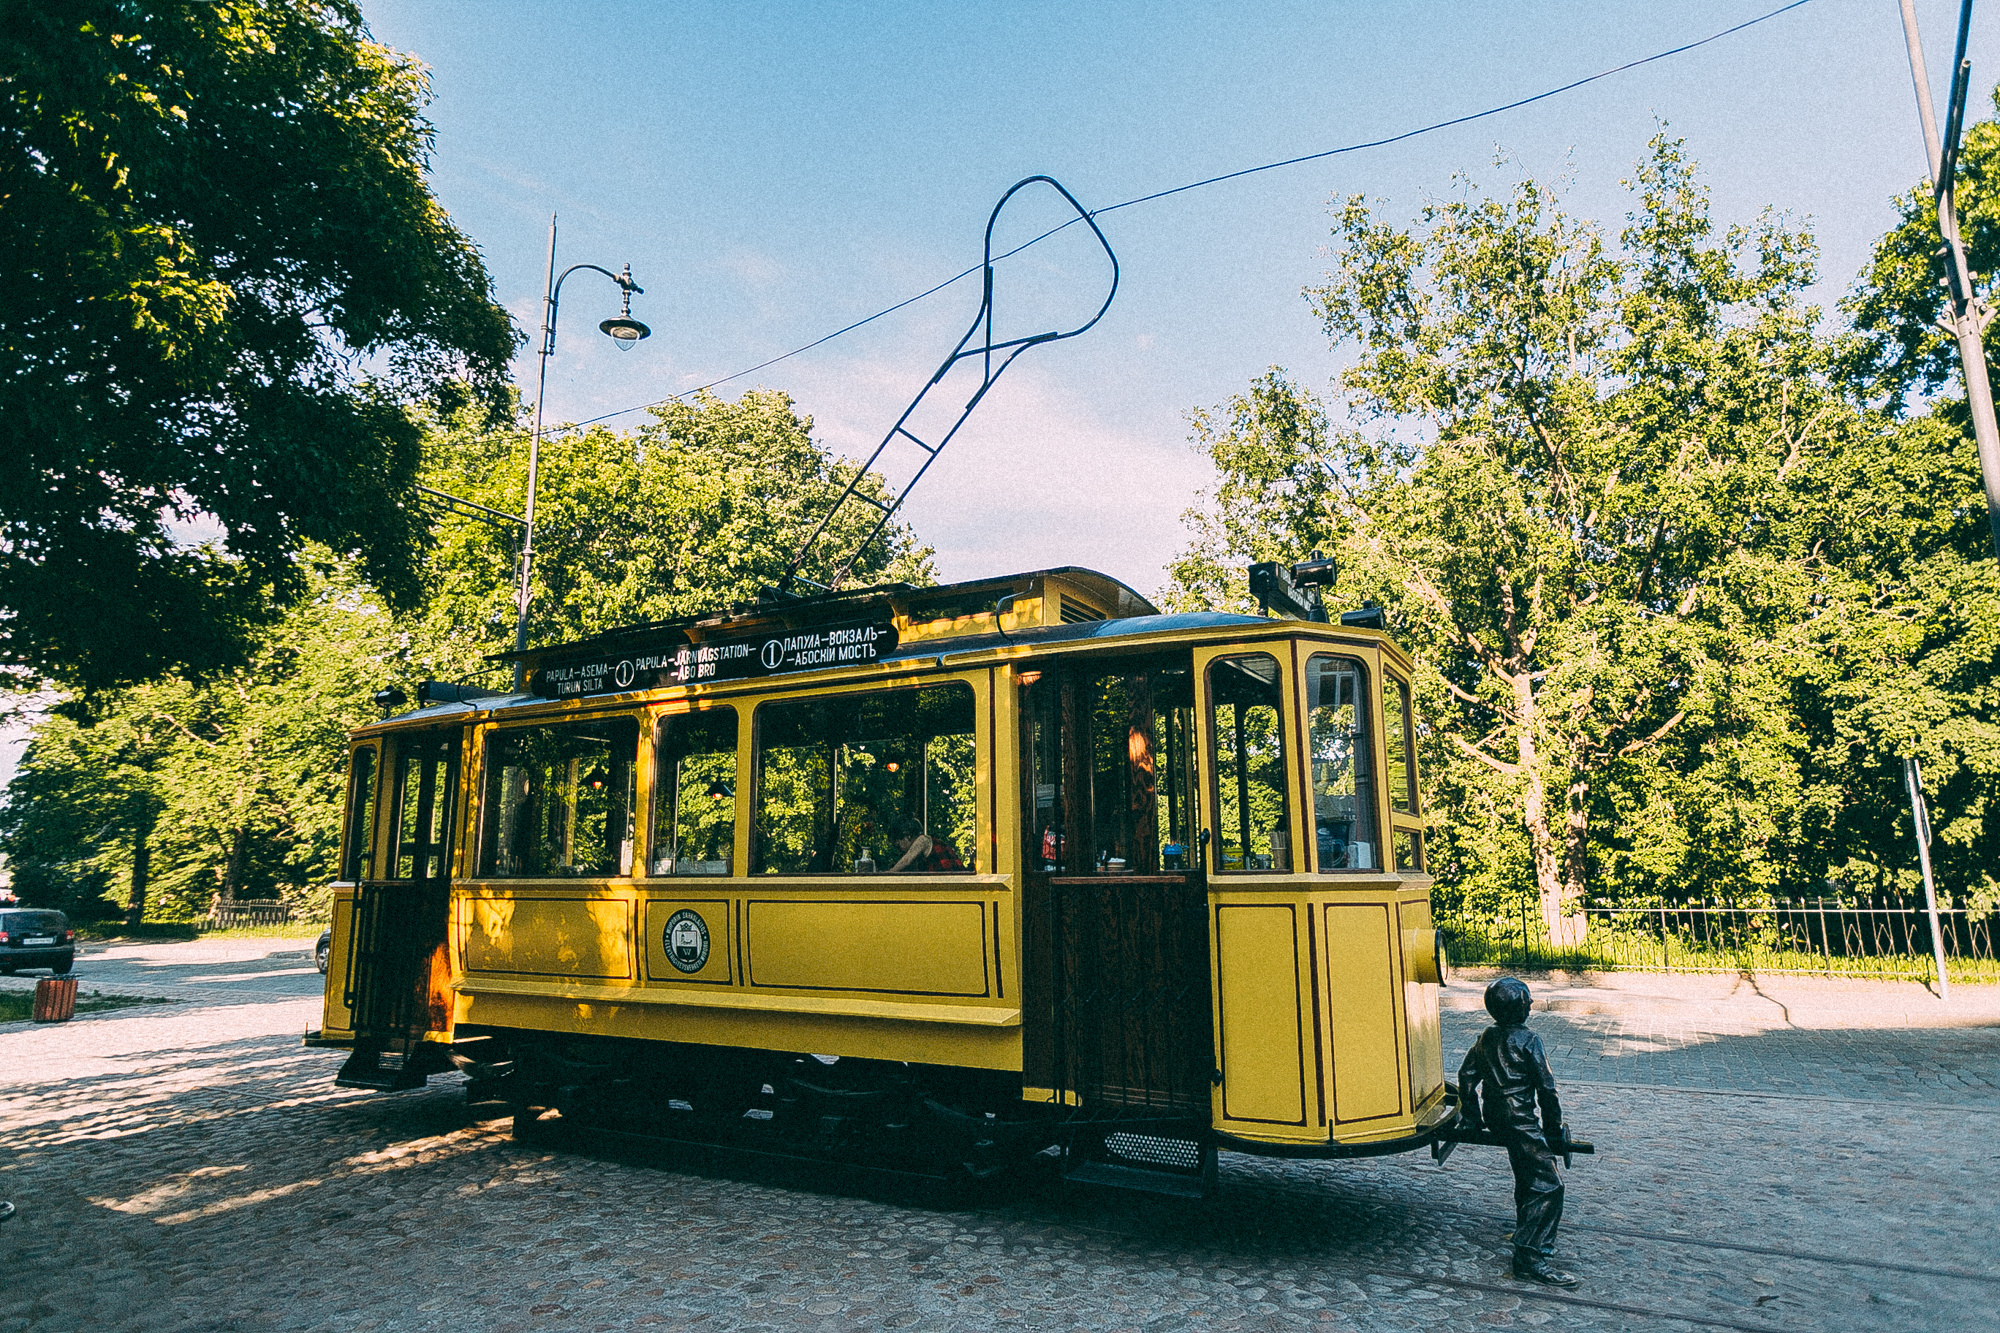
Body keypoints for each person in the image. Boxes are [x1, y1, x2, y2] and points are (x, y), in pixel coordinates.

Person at [1458, 976, 1579, 1288]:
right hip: (1519, 1119)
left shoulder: (1485, 1037)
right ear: (1517, 1008)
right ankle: (1530, 1256)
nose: (1532, 1004)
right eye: (1527, 1000)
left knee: (1527, 1177)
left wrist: (1473, 1118)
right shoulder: (1529, 1041)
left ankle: (1526, 1227)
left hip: (1495, 1115)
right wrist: (1552, 1132)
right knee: (1550, 1186)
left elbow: (1466, 1076)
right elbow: (1547, 1090)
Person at [887, 815, 963, 872]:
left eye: (897, 845)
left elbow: (906, 861)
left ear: (908, 836)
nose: (898, 850)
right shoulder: (924, 852)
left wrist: (889, 873)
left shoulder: (923, 840)